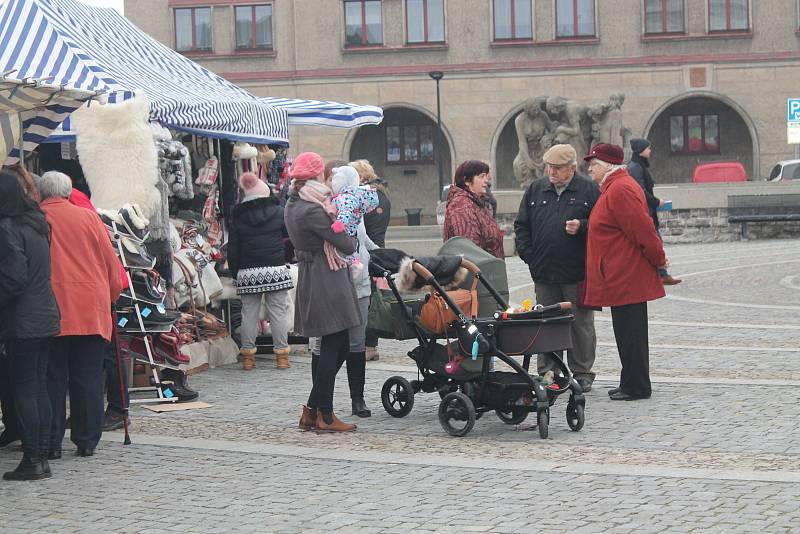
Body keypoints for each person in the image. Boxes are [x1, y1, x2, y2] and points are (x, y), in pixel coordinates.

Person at [35, 171, 123, 457]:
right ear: (69, 191)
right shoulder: (88, 218)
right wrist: (109, 298)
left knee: (52, 377)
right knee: (87, 377)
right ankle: (86, 440)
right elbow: (112, 266)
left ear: (41, 193)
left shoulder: (38, 219)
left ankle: (51, 441)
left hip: (51, 308)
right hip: (90, 307)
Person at [582, 144, 669, 401]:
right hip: (620, 274)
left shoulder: (620, 189)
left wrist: (659, 260)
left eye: (594, 164)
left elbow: (643, 230)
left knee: (631, 333)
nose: (590, 168)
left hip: (626, 275)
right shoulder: (614, 187)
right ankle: (630, 381)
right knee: (627, 332)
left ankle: (637, 386)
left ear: (609, 165)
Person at [284, 152, 361, 433]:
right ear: (316, 176)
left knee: (336, 343)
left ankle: (313, 409)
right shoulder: (312, 209)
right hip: (325, 276)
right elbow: (345, 243)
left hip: (315, 273)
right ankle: (325, 416)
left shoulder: (294, 203)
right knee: (334, 343)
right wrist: (347, 229)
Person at [514, 144, 600, 392]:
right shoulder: (536, 189)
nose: (552, 172)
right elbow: (522, 225)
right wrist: (529, 255)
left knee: (580, 323)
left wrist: (582, 226)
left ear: (572, 168)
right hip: (544, 272)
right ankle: (549, 372)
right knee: (547, 323)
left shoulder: (588, 189)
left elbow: (602, 224)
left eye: (558, 168)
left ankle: (582, 372)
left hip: (576, 272)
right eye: (549, 167)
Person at [0, 171, 61, 480]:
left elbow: (12, 279)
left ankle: (33, 459)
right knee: (37, 388)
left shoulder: (7, 227)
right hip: (45, 314)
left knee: (26, 389)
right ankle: (43, 454)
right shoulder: (36, 224)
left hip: (23, 320)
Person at [228, 172, 293, 371]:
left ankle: (248, 357)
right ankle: (282, 357)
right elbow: (288, 235)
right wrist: (285, 255)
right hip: (275, 267)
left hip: (248, 271)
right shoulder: (277, 211)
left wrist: (235, 272)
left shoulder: (238, 216)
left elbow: (233, 248)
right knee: (278, 312)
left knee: (249, 314)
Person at [349, 159, 391, 362]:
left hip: (371, 252)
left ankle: (369, 345)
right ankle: (367, 344)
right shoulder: (377, 195)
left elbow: (369, 231)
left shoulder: (372, 197)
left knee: (371, 302)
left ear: (362, 177)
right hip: (373, 250)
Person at [627, 138, 681, 285]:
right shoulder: (635, 167)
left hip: (648, 210)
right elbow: (641, 191)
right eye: (648, 148)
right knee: (655, 241)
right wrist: (657, 202)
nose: (650, 150)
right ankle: (661, 274)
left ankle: (661, 273)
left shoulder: (639, 166)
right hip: (645, 212)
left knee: (656, 241)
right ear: (641, 150)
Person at [443, 160, 505, 259]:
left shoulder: (476, 203)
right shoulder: (461, 207)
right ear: (467, 180)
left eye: (486, 176)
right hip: (476, 271)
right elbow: (471, 252)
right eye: (481, 176)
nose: (486, 180)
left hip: (487, 270)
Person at [329, 165, 379, 277]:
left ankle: (354, 265)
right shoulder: (353, 197)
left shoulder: (345, 198)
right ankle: (354, 264)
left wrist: (339, 223)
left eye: (334, 180)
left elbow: (345, 211)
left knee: (349, 251)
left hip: (347, 236)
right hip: (355, 251)